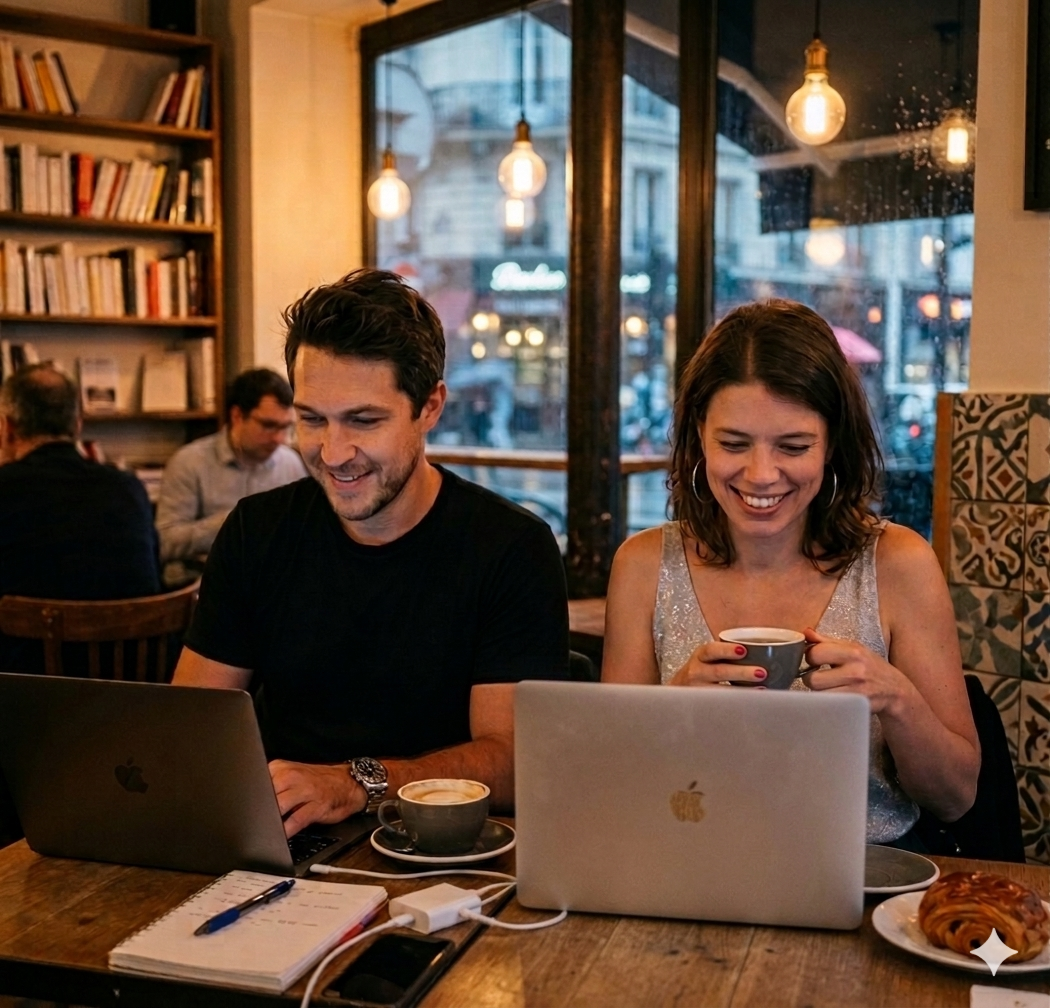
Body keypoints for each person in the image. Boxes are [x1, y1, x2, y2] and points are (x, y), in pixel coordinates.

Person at [173, 269, 569, 837]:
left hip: (448, 849)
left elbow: (512, 762)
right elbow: (190, 725)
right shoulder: (256, 531)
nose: (334, 453)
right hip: (288, 842)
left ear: (430, 407)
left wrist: (356, 783)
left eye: (363, 420)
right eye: (312, 419)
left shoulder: (510, 546)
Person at [602, 299, 979, 847]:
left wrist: (896, 698)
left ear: (832, 445)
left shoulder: (898, 563)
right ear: (699, 438)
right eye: (733, 444)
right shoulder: (643, 566)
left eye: (794, 446)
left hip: (866, 872)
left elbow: (956, 796)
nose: (761, 475)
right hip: (689, 860)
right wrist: (675, 704)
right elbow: (611, 785)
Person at [0, 364, 161, 674]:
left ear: (7, 427)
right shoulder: (127, 488)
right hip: (129, 679)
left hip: (24, 688)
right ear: (78, 424)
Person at [155, 368, 306, 564]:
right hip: (202, 575)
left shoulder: (291, 463)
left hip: (273, 575)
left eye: (286, 427)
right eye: (268, 426)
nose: (280, 439)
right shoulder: (189, 463)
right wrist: (233, 523)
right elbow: (164, 543)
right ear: (237, 416)